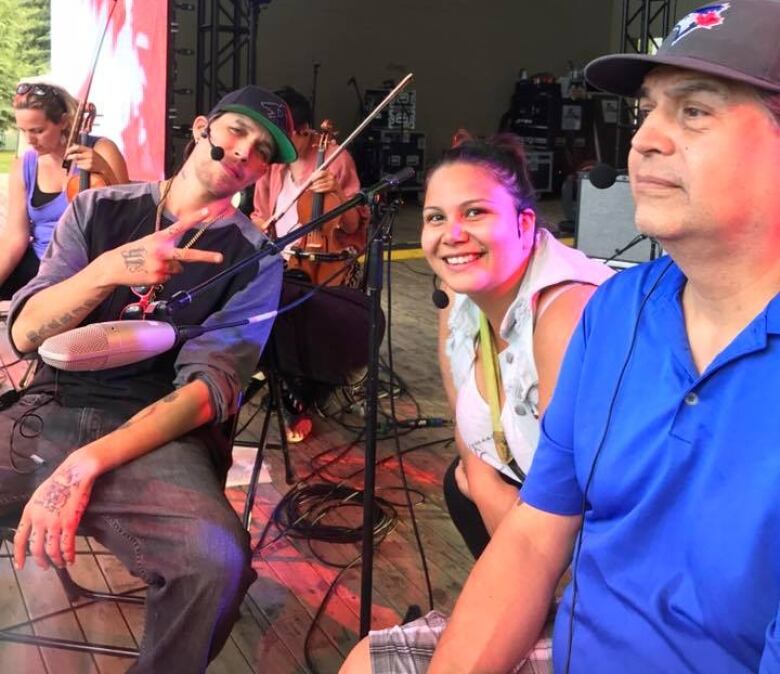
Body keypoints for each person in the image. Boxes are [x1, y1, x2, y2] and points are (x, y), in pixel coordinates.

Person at [421, 2, 780, 672]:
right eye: (648, 110)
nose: (643, 140)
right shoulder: (617, 313)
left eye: (694, 110)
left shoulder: (573, 306)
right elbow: (532, 538)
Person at [0, 85, 297, 673]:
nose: (245, 151)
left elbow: (209, 388)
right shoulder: (98, 210)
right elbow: (26, 334)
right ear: (202, 128)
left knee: (216, 563)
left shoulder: (256, 258)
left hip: (153, 434)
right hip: (51, 403)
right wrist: (109, 270)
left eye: (262, 150)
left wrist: (88, 463)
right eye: (238, 131)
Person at [340, 134, 612, 674]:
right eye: (436, 217)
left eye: (476, 212)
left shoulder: (568, 313)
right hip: (533, 550)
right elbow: (470, 431)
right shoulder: (465, 301)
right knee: (367, 660)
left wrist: (483, 488)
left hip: (597, 582)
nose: (451, 234)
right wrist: (479, 476)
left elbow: (566, 517)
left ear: (527, 224)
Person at [251, 87, 368, 442]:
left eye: (286, 136)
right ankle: (284, 384)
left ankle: (299, 395)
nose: (278, 145)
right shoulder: (271, 164)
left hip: (325, 259)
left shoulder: (336, 159)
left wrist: (337, 193)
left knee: (310, 320)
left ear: (304, 130)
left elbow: (354, 226)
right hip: (281, 257)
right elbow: (258, 213)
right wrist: (262, 227)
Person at [1, 78, 130, 298]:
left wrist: (105, 170)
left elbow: (127, 217)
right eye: (23, 131)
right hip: (40, 264)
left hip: (87, 266)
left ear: (62, 122)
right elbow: (15, 238)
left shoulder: (101, 150)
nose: (29, 139)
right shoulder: (25, 164)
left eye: (38, 130)